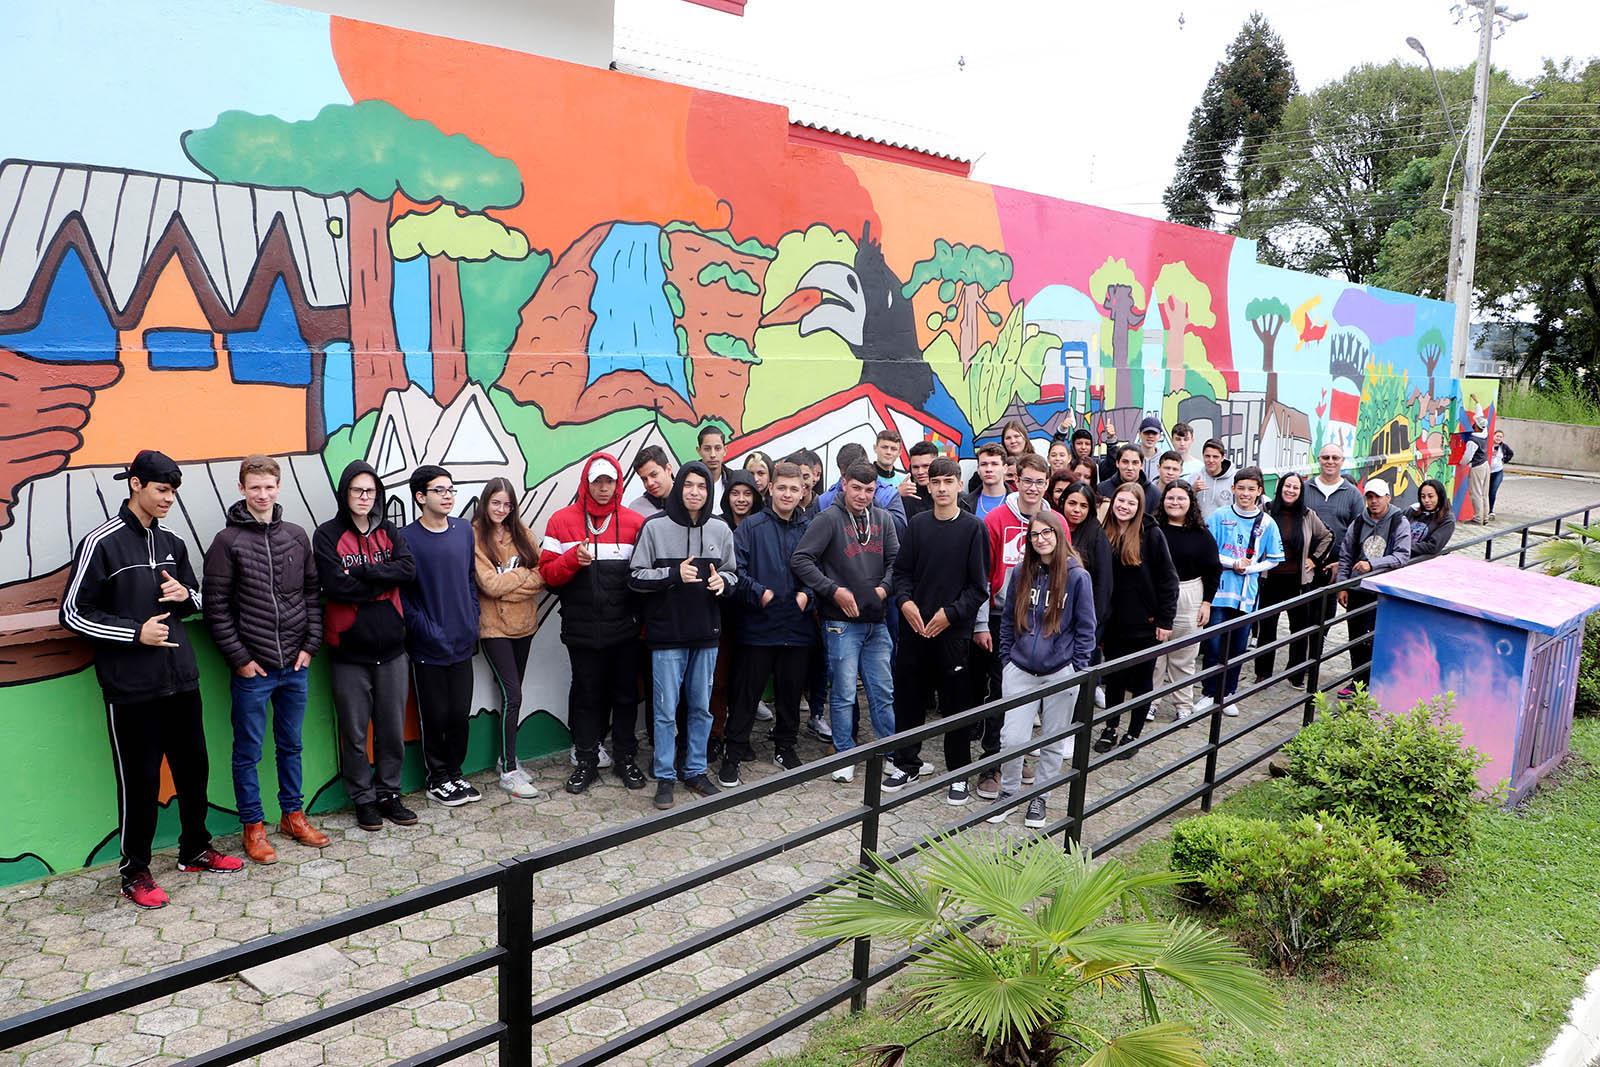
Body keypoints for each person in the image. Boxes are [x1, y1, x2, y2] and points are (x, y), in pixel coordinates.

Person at [61, 450, 243, 908]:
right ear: (136, 484)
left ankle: (195, 849)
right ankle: (134, 871)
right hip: (131, 688)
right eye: (162, 490)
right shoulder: (100, 543)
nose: (169, 499)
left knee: (194, 770)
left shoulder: (174, 543)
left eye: (174, 492)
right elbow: (72, 613)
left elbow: (195, 599)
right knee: (140, 781)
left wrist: (187, 595)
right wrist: (133, 633)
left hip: (181, 679)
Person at [203, 455, 327, 866]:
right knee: (248, 751)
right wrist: (239, 659)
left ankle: (293, 816)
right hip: (253, 670)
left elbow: (312, 594)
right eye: (254, 487)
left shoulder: (296, 535)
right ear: (241, 489)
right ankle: (253, 827)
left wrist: (310, 645)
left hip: (294, 665)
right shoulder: (227, 542)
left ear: (279, 487)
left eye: (269, 486)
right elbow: (216, 609)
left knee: (291, 745)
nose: (262, 494)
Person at [314, 460, 418, 833]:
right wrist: (381, 581)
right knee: (356, 734)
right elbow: (335, 586)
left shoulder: (390, 531)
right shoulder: (327, 535)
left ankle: (389, 793)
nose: (364, 497)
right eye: (357, 490)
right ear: (345, 494)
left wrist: (361, 572)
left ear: (379, 495)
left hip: (392, 649)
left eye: (370, 491)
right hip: (348, 652)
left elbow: (407, 571)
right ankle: (364, 799)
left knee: (390, 730)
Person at [630, 462, 739, 809]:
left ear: (709, 492)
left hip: (706, 635)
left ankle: (694, 770)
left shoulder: (721, 529)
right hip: (667, 636)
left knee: (700, 708)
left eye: (702, 487)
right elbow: (635, 577)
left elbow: (734, 574)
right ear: (678, 487)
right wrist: (673, 573)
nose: (695, 492)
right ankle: (665, 776)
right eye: (689, 485)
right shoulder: (654, 527)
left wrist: (724, 583)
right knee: (664, 710)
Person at [540, 453, 648, 793]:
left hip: (625, 631)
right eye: (597, 481)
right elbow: (548, 576)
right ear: (586, 483)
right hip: (581, 630)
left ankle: (625, 759)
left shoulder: (634, 523)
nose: (603, 488)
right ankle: (585, 760)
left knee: (625, 696)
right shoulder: (560, 521)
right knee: (586, 695)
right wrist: (572, 559)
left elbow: (642, 579)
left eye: (609, 481)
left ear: (618, 484)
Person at [791, 461, 899, 785]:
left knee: (882, 690)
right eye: (857, 488)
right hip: (840, 623)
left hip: (876, 622)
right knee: (844, 691)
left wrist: (884, 588)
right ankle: (845, 754)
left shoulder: (884, 518)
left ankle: (889, 753)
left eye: (869, 489)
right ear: (843, 484)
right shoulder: (828, 519)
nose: (863, 495)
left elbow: (896, 561)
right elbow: (801, 559)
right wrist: (833, 590)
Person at [989, 508, 1096, 826]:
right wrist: (1007, 660)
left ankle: (1040, 797)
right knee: (1013, 738)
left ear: (1060, 534)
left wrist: (1077, 668)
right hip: (1020, 669)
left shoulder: (1077, 576)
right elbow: (1007, 619)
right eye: (1035, 534)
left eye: (1047, 532)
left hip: (1060, 670)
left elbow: (1086, 627)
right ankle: (1009, 794)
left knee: (1052, 740)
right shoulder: (1021, 572)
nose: (1041, 539)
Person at [890, 457, 989, 801]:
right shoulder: (917, 525)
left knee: (956, 705)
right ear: (927, 486)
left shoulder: (974, 528)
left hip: (953, 635)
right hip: (914, 630)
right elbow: (900, 574)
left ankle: (958, 773)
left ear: (960, 485)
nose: (943, 488)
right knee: (908, 701)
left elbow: (979, 587)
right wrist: (905, 603)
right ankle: (906, 763)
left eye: (949, 482)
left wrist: (951, 614)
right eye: (936, 482)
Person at [726, 462, 816, 778]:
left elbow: (822, 572)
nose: (788, 494)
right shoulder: (750, 528)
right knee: (746, 695)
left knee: (790, 694)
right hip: (758, 626)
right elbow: (735, 572)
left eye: (794, 488)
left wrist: (808, 594)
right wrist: (759, 593)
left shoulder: (810, 528)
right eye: (782, 488)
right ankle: (733, 753)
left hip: (797, 626)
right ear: (771, 488)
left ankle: (785, 747)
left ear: (802, 491)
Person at [401, 466, 481, 807]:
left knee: (459, 714)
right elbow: (404, 597)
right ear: (420, 497)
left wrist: (472, 617)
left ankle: (455, 773)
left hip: (463, 640)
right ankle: (438, 779)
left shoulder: (464, 530)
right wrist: (427, 631)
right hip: (428, 646)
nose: (448, 495)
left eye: (451, 489)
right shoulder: (405, 538)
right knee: (435, 716)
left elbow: (469, 579)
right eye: (439, 490)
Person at [972, 453, 1051, 798]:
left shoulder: (1055, 522)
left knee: (1029, 695)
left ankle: (1015, 759)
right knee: (998, 692)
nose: (1032, 488)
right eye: (1027, 480)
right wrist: (980, 623)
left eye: (1040, 481)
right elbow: (981, 576)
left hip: (1039, 620)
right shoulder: (995, 519)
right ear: (1014, 479)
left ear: (1047, 484)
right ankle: (991, 764)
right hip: (999, 617)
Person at [472, 476, 545, 799]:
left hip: (525, 625)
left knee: (513, 697)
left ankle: (507, 758)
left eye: (507, 503)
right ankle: (510, 772)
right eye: (496, 503)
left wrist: (509, 583)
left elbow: (542, 575)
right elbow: (488, 586)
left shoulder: (522, 533)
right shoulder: (474, 535)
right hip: (493, 629)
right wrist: (520, 578)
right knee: (512, 695)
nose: (501, 509)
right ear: (486, 503)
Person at [1094, 483, 1178, 755]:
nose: (1124, 507)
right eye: (1121, 501)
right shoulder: (1103, 533)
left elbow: (1168, 580)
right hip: (1113, 623)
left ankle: (1134, 733)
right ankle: (1111, 726)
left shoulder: (1151, 535)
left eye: (1131, 503)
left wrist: (1165, 621)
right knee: (1115, 679)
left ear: (1139, 507)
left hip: (1145, 622)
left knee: (1142, 680)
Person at [1201, 466, 1285, 717]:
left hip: (1247, 595)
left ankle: (1229, 693)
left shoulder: (1267, 523)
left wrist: (1252, 569)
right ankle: (1208, 692)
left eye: (1251, 489)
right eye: (1241, 488)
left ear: (1260, 491)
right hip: (1219, 592)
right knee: (1214, 644)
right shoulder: (1219, 516)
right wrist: (1232, 563)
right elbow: (1209, 551)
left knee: (1238, 645)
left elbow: (1275, 558)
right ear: (1233, 489)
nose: (1245, 494)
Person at [1253, 472, 1331, 689]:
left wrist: (1314, 559)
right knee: (1267, 627)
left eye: (1295, 488)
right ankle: (1263, 673)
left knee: (1300, 628)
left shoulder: (1307, 515)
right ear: (1280, 488)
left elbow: (1327, 536)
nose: (1291, 491)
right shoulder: (1266, 511)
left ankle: (1296, 673)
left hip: (1297, 580)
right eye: (1287, 486)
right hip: (1270, 578)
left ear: (1301, 491)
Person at [1337, 479, 1412, 692]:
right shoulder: (1359, 523)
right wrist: (1342, 585)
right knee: (1356, 637)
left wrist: (1372, 565)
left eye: (1378, 496)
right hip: (1358, 589)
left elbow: (1402, 556)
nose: (1373, 501)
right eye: (1369, 497)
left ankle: (1380, 682)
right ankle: (1358, 682)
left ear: (1388, 497)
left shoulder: (1399, 521)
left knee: (1379, 637)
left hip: (1383, 590)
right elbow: (1346, 555)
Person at [1154, 481, 1220, 721]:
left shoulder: (1201, 534)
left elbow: (1214, 569)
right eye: (1170, 498)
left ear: (1190, 502)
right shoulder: (1153, 528)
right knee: (1156, 655)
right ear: (1163, 501)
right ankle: (1151, 701)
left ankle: (1183, 705)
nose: (1175, 503)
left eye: (1181, 498)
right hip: (1158, 594)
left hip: (1189, 593)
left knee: (1184, 655)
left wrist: (1206, 603)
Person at [1303, 443, 1362, 592]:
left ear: (1342, 461)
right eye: (1325, 457)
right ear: (1319, 460)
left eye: (1335, 458)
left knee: (1328, 613)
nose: (1330, 461)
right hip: (1305, 564)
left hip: (1333, 567)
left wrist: (1343, 565)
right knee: (1302, 612)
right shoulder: (1304, 489)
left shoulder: (1353, 494)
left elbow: (1358, 533)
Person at [817, 442, 908, 536]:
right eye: (847, 476)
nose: (853, 480)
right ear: (840, 470)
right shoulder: (824, 500)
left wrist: (873, 506)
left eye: (859, 475)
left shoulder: (888, 494)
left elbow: (901, 532)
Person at [1404, 478, 1456, 560]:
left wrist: (1402, 546)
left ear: (1440, 496)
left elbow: (1432, 546)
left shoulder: (1447, 519)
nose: (1426, 500)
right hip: (1398, 554)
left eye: (1431, 496)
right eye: (1423, 496)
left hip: (1418, 560)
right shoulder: (1412, 510)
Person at [1095, 443, 1150, 513]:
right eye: (1125, 462)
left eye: (1135, 463)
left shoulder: (1153, 493)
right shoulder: (1102, 490)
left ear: (1141, 465)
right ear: (1117, 463)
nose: (1130, 467)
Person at [961, 443, 1009, 521]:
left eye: (994, 464)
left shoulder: (1017, 502)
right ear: (978, 469)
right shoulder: (965, 503)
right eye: (984, 464)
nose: (989, 469)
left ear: (1005, 468)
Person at [1192, 438, 1236, 520]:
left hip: (1225, 528)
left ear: (1223, 457)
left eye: (1215, 457)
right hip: (1201, 529)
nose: (1211, 460)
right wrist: (1192, 490)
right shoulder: (1195, 477)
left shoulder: (1234, 478)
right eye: (1207, 456)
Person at [696, 425, 734, 517]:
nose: (713, 455)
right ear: (699, 451)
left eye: (717, 448)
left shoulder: (733, 480)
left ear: (725, 450)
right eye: (707, 449)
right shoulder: (689, 480)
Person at [1461, 416, 1492, 525]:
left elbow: (1467, 457)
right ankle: (1485, 517)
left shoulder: (1473, 441)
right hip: (1485, 464)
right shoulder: (1485, 433)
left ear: (1476, 426)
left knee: (1476, 492)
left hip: (1477, 467)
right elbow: (1480, 415)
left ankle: (1478, 518)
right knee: (1484, 493)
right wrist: (1477, 403)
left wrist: (1461, 463)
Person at [628, 445, 675, 517]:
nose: (650, 483)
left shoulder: (691, 500)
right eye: (644, 479)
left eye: (654, 475)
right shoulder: (636, 510)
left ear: (668, 469)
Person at [901, 440, 940, 520]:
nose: (920, 472)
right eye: (915, 467)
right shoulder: (905, 497)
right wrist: (896, 496)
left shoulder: (952, 495)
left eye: (926, 466)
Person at [1146, 450, 1185, 515]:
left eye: (1175, 469)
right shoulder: (1147, 491)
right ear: (1158, 468)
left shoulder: (1184, 495)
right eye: (1167, 468)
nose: (1170, 473)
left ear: (1181, 471)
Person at [1489, 429, 1514, 518]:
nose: (1498, 438)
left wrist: (1504, 460)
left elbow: (1511, 454)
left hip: (1497, 471)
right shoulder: (1488, 444)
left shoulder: (1504, 447)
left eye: (1500, 437)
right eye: (1497, 436)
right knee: (1485, 491)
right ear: (1493, 436)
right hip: (1487, 470)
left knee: (1493, 491)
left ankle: (1490, 510)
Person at [1136, 415, 1165, 480]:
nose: (1150, 436)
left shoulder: (1164, 459)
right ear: (1139, 434)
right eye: (1147, 433)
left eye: (1154, 433)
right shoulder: (1131, 456)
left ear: (1160, 436)